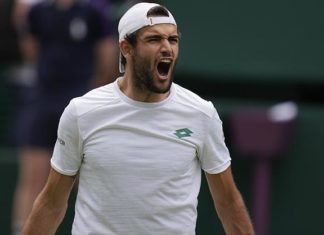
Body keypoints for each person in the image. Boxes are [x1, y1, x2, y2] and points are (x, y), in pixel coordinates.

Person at [22, 2, 255, 234]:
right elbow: (51, 204)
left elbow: (228, 204)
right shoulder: (82, 112)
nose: (167, 48)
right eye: (154, 40)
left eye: (172, 40)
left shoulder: (201, 114)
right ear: (126, 48)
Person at [11, 0, 119, 234]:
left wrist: (90, 96)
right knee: (33, 177)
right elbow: (31, 51)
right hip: (42, 102)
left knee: (90, 178)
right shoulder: (37, 12)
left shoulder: (94, 12)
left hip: (80, 103)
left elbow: (107, 58)